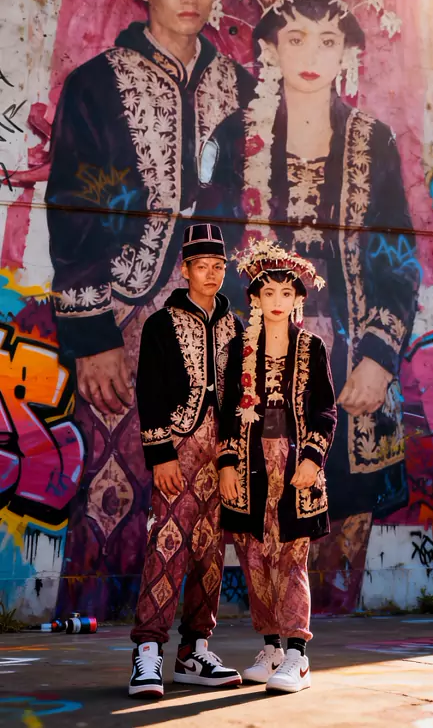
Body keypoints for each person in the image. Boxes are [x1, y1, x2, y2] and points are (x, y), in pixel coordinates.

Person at [45, 0, 254, 618]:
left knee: (205, 477)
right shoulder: (96, 84)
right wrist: (91, 336)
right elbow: (73, 208)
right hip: (124, 313)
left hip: (212, 317)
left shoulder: (242, 91)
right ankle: (96, 619)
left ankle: (192, 630)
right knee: (115, 481)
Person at [199, 0, 420, 609]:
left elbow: (398, 260)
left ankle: (324, 633)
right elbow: (210, 256)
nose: (312, 55)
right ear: (270, 49)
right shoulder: (235, 137)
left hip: (350, 365)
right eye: (295, 37)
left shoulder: (372, 139)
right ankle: (274, 634)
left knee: (340, 529)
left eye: (327, 41)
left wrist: (378, 358)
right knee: (261, 502)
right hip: (256, 358)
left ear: (346, 52)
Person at [218, 238, 337, 694]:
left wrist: (312, 457)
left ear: (297, 300)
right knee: (254, 557)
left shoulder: (312, 347)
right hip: (249, 465)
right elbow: (228, 411)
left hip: (294, 464)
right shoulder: (239, 349)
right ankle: (270, 648)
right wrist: (227, 464)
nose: (277, 301)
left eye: (286, 293)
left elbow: (326, 410)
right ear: (255, 298)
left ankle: (298, 655)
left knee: (291, 557)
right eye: (268, 292)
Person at [129, 223, 243, 698]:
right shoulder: (160, 324)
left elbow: (238, 397)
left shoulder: (236, 327)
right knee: (167, 543)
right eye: (203, 266)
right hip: (178, 448)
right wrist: (161, 455)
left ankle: (194, 650)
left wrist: (231, 458)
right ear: (185, 269)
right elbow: (149, 391)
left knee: (211, 550)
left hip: (219, 456)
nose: (212, 274)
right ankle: (148, 651)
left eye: (219, 266)